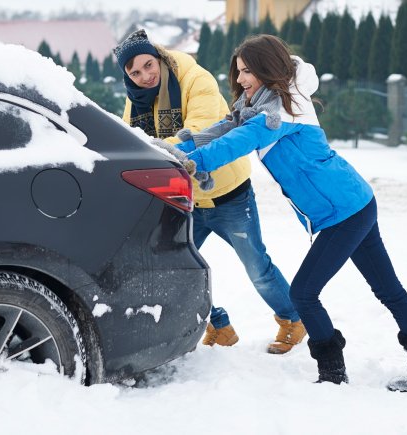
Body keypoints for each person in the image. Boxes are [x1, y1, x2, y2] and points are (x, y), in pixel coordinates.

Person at [178, 34, 407, 393]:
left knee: (304, 294)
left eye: (247, 71)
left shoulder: (281, 111)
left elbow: (237, 141)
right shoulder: (260, 106)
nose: (240, 79)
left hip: (345, 211)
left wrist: (194, 162)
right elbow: (222, 131)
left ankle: (333, 373)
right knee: (386, 288)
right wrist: (174, 150)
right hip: (353, 202)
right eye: (238, 71)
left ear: (266, 69)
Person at [113, 29, 306, 354]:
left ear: (158, 58)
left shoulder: (194, 79)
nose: (145, 76)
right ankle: (218, 325)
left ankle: (293, 320)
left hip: (229, 193)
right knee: (170, 267)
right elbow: (134, 140)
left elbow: (200, 131)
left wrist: (155, 151)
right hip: (184, 199)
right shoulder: (136, 100)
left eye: (148, 65)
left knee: (257, 267)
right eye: (135, 73)